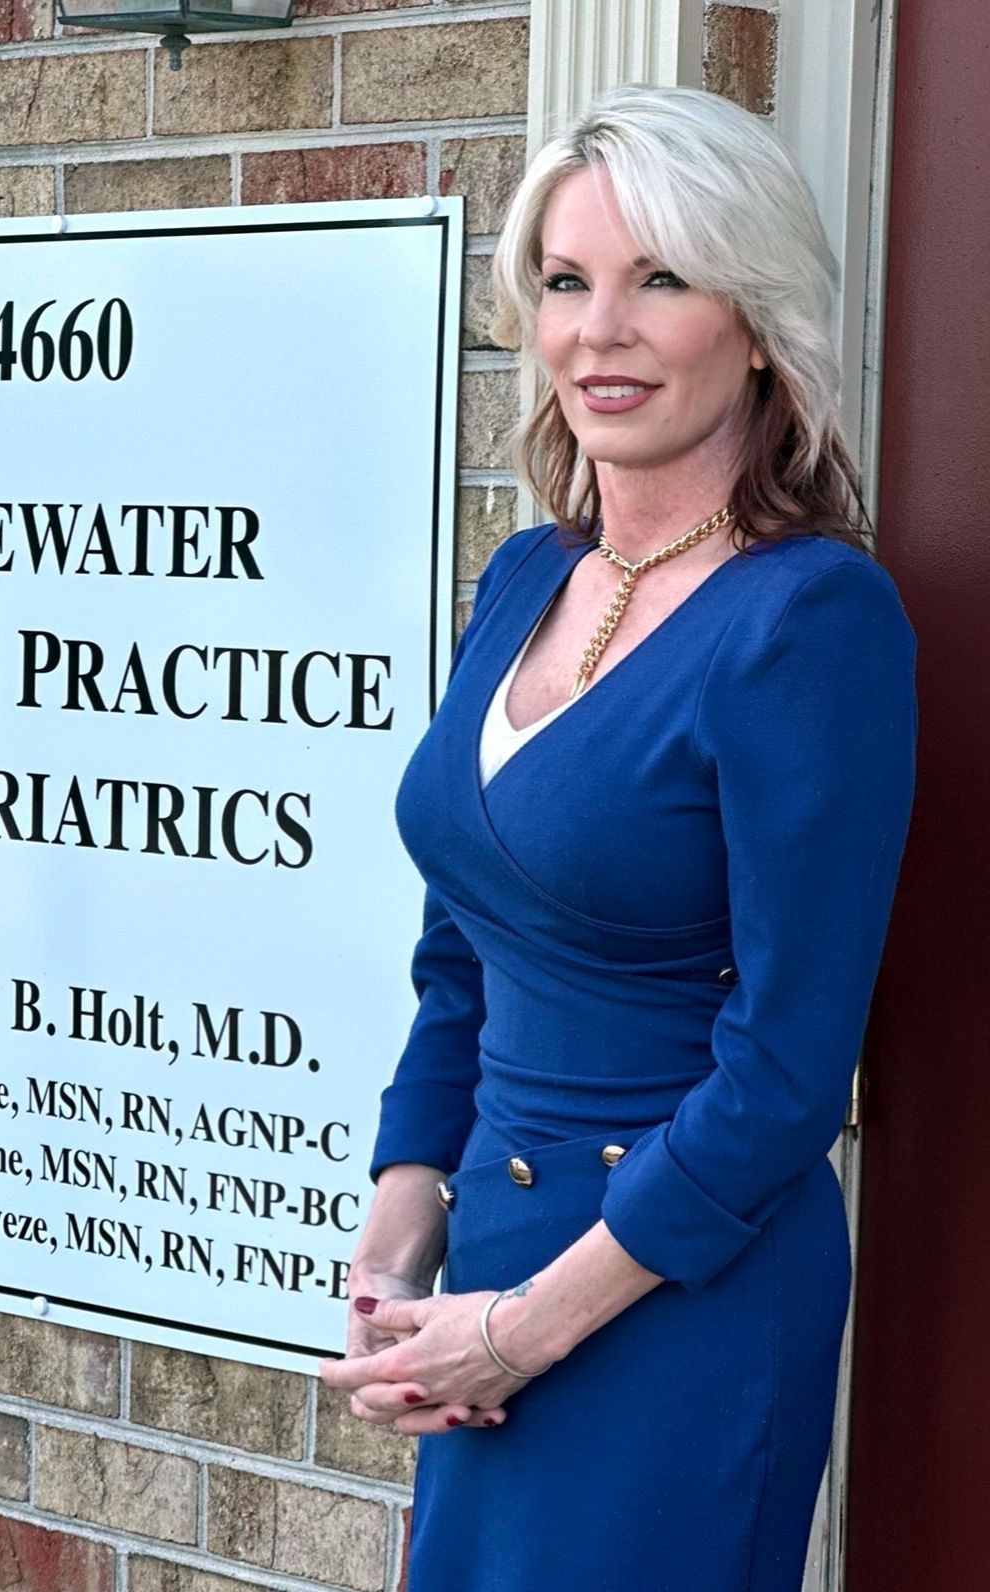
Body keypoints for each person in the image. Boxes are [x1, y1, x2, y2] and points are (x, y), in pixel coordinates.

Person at [318, 82, 918, 1590]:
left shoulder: (812, 621)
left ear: (759, 319)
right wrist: (402, 1236)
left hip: (672, 1299)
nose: (602, 329)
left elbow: (787, 1076)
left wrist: (518, 1332)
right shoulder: (525, 577)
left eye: (661, 279)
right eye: (569, 283)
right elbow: (462, 950)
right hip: (488, 1280)